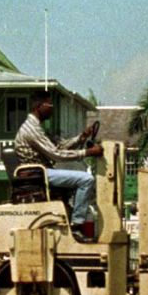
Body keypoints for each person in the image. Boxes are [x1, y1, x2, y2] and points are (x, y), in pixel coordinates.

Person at [14, 90, 102, 241]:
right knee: (86, 180)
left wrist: (81, 138)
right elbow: (56, 154)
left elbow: (58, 147)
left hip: (42, 172)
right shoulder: (31, 129)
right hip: (39, 175)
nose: (52, 108)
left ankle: (71, 217)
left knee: (79, 181)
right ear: (38, 106)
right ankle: (77, 225)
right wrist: (87, 152)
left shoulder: (37, 127)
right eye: (50, 104)